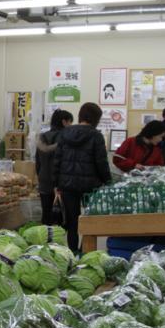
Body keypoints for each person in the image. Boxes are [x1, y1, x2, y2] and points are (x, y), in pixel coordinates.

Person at [53, 103, 112, 253]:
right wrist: (108, 181)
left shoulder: (64, 134)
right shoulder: (96, 136)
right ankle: (84, 251)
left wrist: (56, 184)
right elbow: (101, 162)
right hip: (90, 186)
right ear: (96, 118)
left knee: (72, 222)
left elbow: (57, 161)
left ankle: (72, 253)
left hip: (67, 185)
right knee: (89, 220)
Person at [35, 110, 73, 226]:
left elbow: (37, 162)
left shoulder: (42, 137)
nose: (71, 125)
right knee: (63, 216)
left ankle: (46, 241)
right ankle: (61, 242)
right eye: (70, 122)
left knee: (46, 215)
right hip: (62, 182)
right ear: (64, 122)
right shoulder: (67, 138)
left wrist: (40, 175)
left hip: (44, 180)